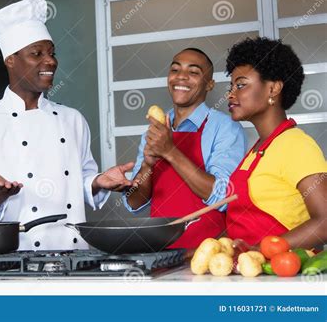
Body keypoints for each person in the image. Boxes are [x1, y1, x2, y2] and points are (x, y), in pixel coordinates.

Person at [0, 0, 133, 251]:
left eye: (51, 53)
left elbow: (77, 182)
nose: (50, 61)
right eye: (36, 54)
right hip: (18, 258)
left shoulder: (73, 120)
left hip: (75, 255)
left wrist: (97, 182)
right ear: (11, 60)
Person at [123, 48, 247, 249]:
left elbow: (224, 196)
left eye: (194, 72)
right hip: (160, 254)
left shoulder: (226, 128)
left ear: (210, 84)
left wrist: (170, 152)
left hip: (209, 256)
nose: (181, 76)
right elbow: (134, 203)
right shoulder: (155, 130)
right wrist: (147, 166)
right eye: (175, 69)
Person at [225, 37, 327, 249]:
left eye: (241, 85)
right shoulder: (256, 150)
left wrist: (260, 250)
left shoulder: (296, 145)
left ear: (273, 89)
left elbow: (324, 222)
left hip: (284, 277)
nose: (231, 94)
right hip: (250, 274)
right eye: (231, 86)